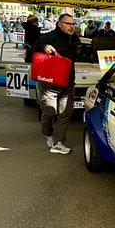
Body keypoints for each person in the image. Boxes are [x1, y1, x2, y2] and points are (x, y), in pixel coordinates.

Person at [32, 13, 81, 155]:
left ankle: (58, 142)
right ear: (59, 24)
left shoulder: (75, 40)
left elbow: (72, 56)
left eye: (73, 24)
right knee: (49, 112)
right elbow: (32, 49)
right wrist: (44, 47)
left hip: (68, 83)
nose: (71, 26)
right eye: (68, 24)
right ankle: (48, 133)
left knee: (65, 114)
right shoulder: (48, 37)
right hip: (49, 84)